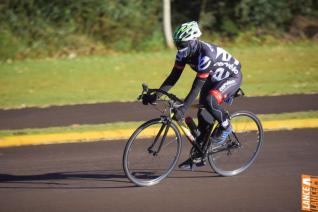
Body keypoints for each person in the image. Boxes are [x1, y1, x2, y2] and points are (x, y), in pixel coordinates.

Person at [142, 21, 242, 170]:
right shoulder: (184, 53)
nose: (179, 49)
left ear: (193, 41)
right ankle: (200, 154)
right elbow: (173, 77)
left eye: (182, 45)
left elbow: (196, 87)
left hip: (230, 78)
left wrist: (183, 108)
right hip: (212, 77)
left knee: (209, 101)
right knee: (202, 115)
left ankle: (225, 126)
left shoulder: (206, 55)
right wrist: (155, 95)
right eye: (178, 45)